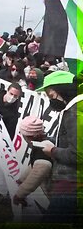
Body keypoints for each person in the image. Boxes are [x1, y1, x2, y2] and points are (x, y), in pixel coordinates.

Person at [36, 71, 81, 223]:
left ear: (62, 91)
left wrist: (52, 151)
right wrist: (44, 139)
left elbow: (78, 155)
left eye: (51, 95)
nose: (51, 101)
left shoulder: (74, 114)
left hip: (70, 184)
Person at [13, 116, 52, 207]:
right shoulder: (43, 144)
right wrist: (22, 179)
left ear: (28, 136)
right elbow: (34, 164)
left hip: (54, 192)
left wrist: (20, 194)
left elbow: (37, 174)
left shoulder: (42, 150)